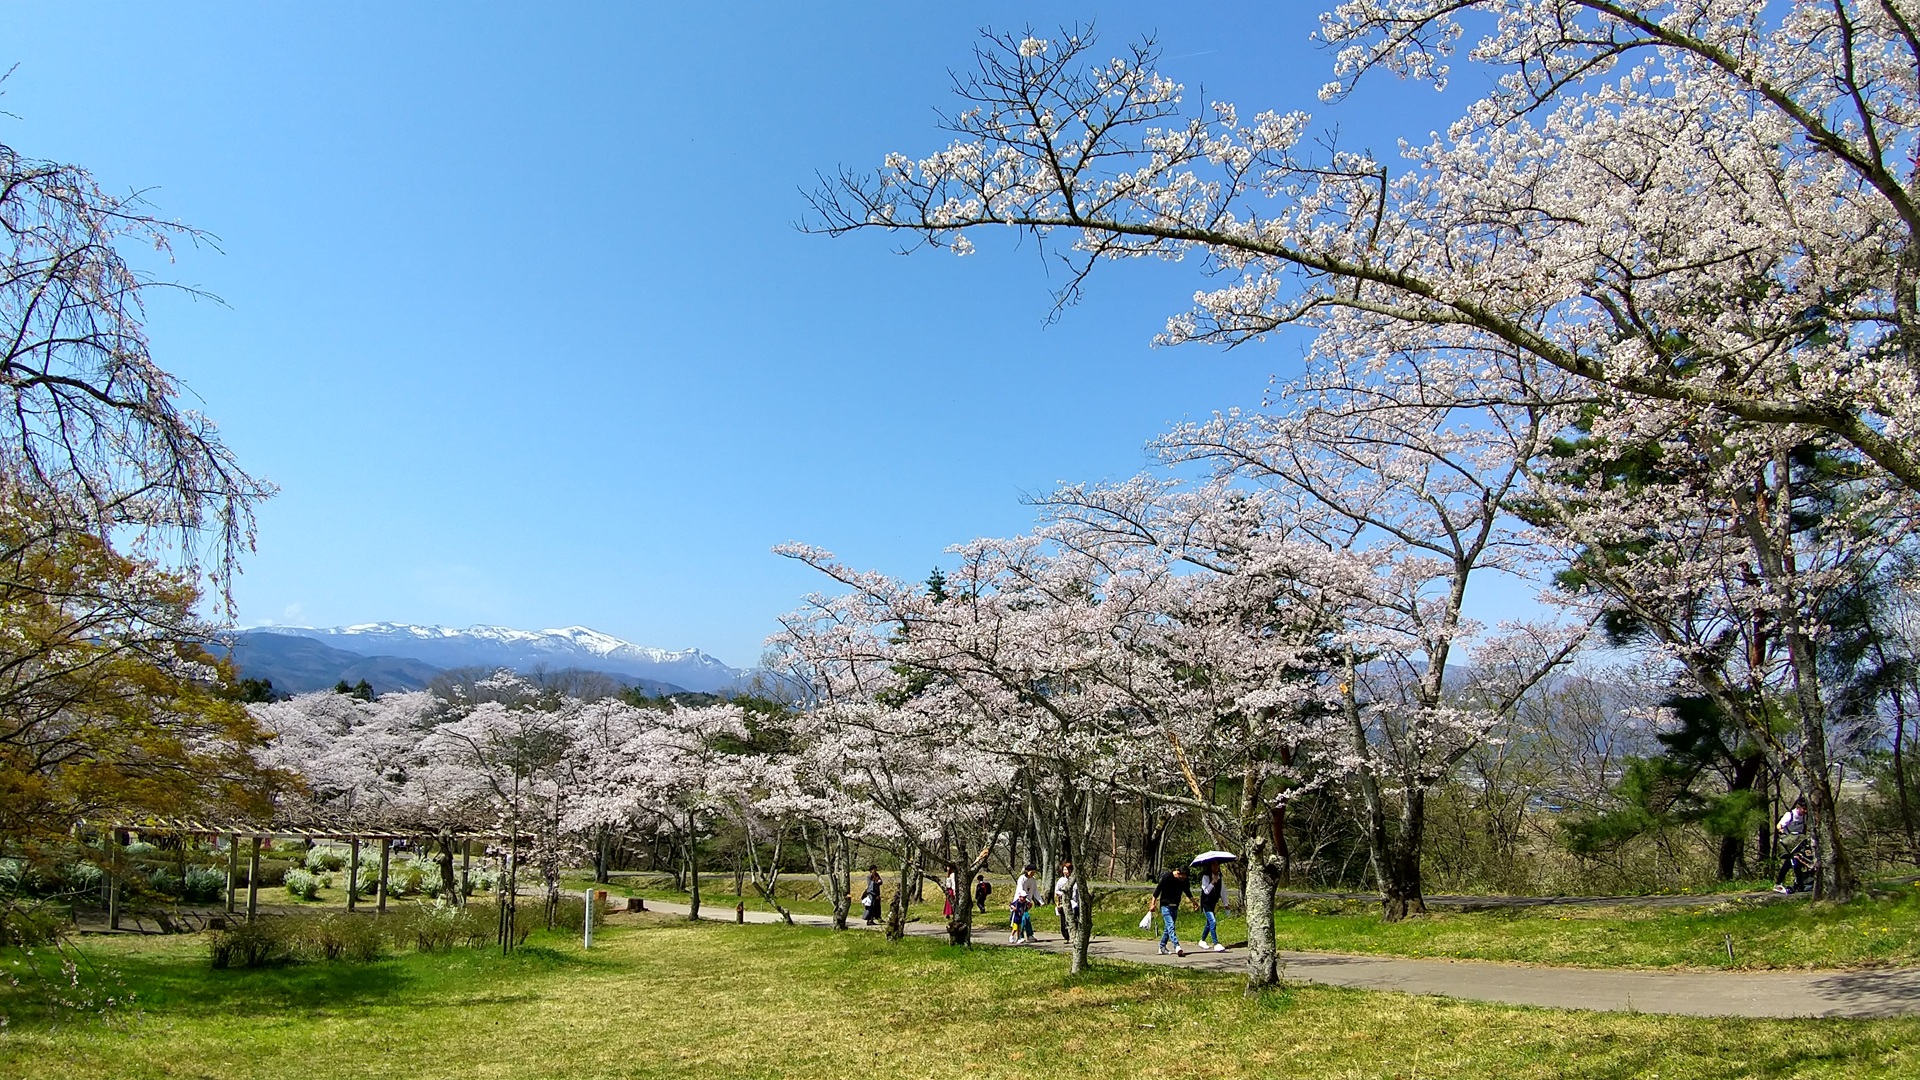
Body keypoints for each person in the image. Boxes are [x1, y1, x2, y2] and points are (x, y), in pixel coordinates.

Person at [1149, 866, 1197, 956]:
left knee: (1168, 928)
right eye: (1182, 877)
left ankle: (1162, 947)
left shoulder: (1184, 881)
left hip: (1175, 906)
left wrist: (1194, 902)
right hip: (1165, 906)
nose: (1183, 879)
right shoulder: (1167, 877)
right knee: (1171, 926)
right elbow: (1157, 890)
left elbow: (1187, 891)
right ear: (1178, 873)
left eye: (1185, 877)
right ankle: (1177, 946)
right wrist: (1153, 904)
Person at [1773, 798, 1812, 894]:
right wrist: (1781, 831)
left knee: (1795, 863)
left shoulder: (1804, 817)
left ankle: (1782, 883)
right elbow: (1779, 825)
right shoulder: (1790, 815)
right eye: (1804, 809)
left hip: (1799, 842)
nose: (1805, 811)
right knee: (1794, 862)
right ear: (1798, 807)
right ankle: (1798, 885)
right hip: (1789, 842)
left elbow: (1804, 828)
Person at [1198, 863, 1226, 952]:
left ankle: (1202, 940)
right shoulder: (1205, 877)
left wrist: (1226, 903)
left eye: (1217, 865)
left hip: (1214, 903)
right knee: (1212, 921)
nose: (1215, 867)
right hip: (1206, 903)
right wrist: (1213, 882)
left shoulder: (1220, 877)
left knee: (1209, 923)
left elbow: (1222, 891)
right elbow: (1206, 891)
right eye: (1213, 865)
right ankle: (1216, 943)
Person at [1010, 865, 1040, 944]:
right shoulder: (1022, 878)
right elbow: (1020, 890)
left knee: (1026, 918)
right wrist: (1024, 900)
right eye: (1031, 872)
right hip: (1019, 903)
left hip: (1027, 903)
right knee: (1022, 920)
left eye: (1034, 872)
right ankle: (1020, 936)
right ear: (1027, 871)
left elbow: (1035, 891)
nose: (1033, 874)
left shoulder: (1033, 880)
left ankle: (1029, 935)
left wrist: (1040, 901)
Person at [1053, 861, 1081, 941]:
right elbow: (1056, 891)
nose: (1065, 871)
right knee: (1064, 920)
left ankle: (1074, 935)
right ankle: (1066, 936)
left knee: (1074, 919)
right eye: (1064, 869)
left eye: (1066, 870)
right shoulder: (1061, 880)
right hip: (1064, 903)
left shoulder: (1075, 880)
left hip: (1074, 903)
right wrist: (1062, 894)